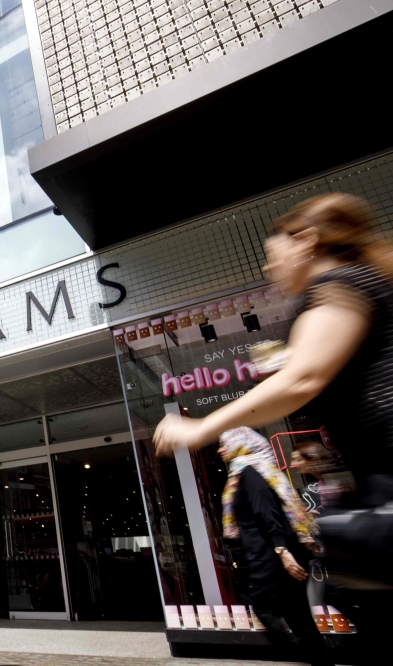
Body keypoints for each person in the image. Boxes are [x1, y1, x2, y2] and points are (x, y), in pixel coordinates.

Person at [153, 194, 393, 646]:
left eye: (271, 254)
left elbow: (304, 377)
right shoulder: (357, 286)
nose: (268, 267)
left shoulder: (341, 285)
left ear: (306, 241)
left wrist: (202, 427)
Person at [217, 428, 332, 666]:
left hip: (271, 556)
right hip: (273, 554)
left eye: (224, 444)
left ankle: (298, 655)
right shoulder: (247, 472)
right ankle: (319, 661)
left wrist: (283, 552)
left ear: (241, 444)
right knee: (298, 616)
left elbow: (266, 513)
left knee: (263, 605)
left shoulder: (249, 472)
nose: (220, 450)